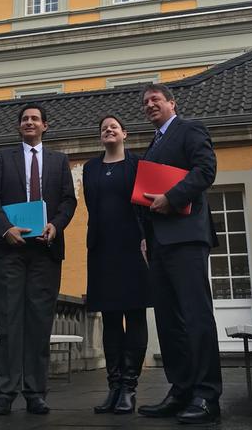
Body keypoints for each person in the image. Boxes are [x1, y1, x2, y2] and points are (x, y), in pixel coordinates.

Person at [0, 103, 77, 416]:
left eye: (35, 119)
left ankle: (36, 392)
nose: (29, 122)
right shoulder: (3, 158)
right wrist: (5, 228)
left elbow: (68, 200)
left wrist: (56, 225)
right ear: (19, 126)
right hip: (9, 250)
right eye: (24, 119)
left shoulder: (59, 160)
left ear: (45, 126)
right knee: (8, 322)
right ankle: (4, 393)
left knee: (39, 324)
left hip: (45, 252)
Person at [137, 84, 222, 426]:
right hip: (158, 242)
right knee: (169, 321)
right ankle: (181, 389)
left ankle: (206, 396)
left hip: (187, 236)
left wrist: (172, 198)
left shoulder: (191, 129)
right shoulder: (151, 145)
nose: (150, 105)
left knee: (195, 316)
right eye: (145, 102)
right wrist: (144, 237)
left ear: (172, 102)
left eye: (156, 99)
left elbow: (206, 171)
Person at [83, 114, 151, 415]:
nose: (108, 130)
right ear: (101, 137)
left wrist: (147, 238)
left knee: (134, 316)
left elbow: (147, 206)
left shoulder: (138, 165)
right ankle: (113, 387)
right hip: (102, 249)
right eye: (103, 128)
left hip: (133, 248)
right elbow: (91, 205)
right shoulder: (91, 167)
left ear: (124, 133)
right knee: (110, 319)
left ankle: (129, 388)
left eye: (113, 127)